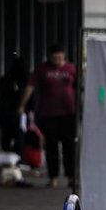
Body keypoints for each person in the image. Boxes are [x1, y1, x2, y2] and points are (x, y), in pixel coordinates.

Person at [20, 43, 80, 187]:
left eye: (60, 58)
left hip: (68, 113)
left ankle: (71, 176)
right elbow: (30, 86)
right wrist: (22, 104)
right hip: (48, 113)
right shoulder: (42, 69)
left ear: (64, 56)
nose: (57, 61)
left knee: (69, 146)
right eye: (54, 58)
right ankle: (53, 177)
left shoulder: (71, 69)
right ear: (49, 57)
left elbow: (79, 88)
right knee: (51, 146)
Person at [0, 54, 28, 153]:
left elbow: (0, 93)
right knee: (20, 135)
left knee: (6, 135)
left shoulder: (6, 78)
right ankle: (18, 156)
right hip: (19, 112)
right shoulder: (25, 79)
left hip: (5, 112)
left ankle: (7, 156)